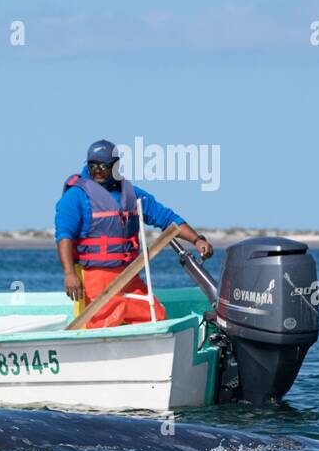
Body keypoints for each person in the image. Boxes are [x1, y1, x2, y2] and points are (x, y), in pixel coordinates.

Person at [56, 139, 214, 329]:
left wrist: (197, 240)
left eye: (103, 166)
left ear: (115, 166)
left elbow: (166, 218)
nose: (97, 170)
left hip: (128, 274)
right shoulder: (76, 196)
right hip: (95, 276)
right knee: (106, 320)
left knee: (156, 315)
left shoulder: (131, 194)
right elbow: (64, 236)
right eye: (92, 166)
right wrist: (69, 274)